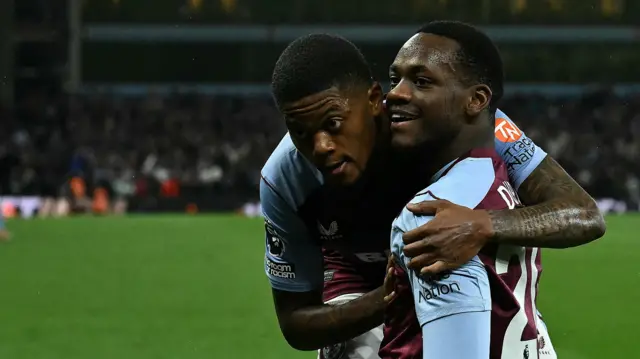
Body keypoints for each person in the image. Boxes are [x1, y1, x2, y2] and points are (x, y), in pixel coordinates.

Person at [262, 32, 604, 359]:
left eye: (334, 123)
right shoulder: (283, 178)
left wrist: (482, 224)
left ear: (372, 102)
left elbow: (583, 213)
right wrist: (390, 298)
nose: (320, 147)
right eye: (301, 131)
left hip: (456, 260)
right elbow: (295, 324)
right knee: (354, 350)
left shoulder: (458, 122)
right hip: (359, 277)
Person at [380, 21, 572, 359]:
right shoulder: (496, 175)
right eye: (395, 79)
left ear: (476, 100)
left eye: (421, 81)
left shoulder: (435, 217)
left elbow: (585, 213)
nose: (395, 93)